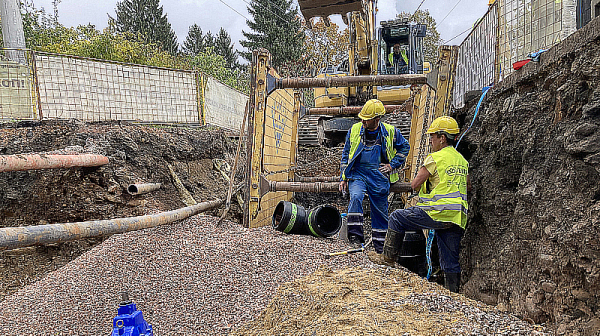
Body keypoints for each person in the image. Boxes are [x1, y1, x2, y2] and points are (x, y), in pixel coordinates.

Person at [380, 116, 470, 293]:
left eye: (433, 137)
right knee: (450, 260)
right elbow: (467, 186)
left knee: (397, 217)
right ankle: (454, 295)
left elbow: (414, 184)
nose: (431, 140)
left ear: (442, 138)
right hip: (456, 216)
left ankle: (387, 260)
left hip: (437, 212)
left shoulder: (435, 158)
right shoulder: (462, 160)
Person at [339, 99, 410, 254]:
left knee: (379, 210)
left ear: (377, 119)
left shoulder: (391, 132)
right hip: (358, 172)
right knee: (356, 197)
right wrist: (343, 177)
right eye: (362, 117)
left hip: (378, 174)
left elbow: (405, 147)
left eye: (367, 118)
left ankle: (381, 248)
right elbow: (346, 155)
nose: (363, 120)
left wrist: (392, 165)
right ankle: (356, 239)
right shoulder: (355, 130)